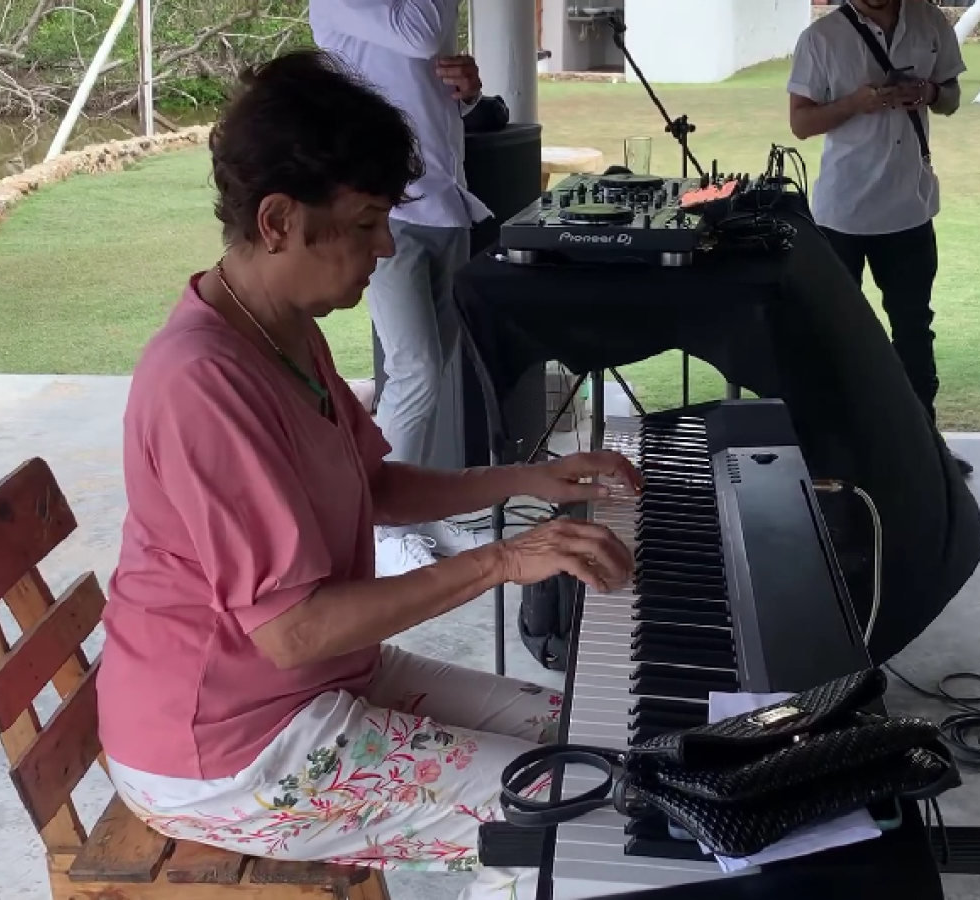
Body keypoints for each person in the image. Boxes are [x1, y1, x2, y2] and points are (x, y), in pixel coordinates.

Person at [96, 50, 640, 900]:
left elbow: (373, 485)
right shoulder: (200, 381)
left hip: (313, 688)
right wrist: (500, 560)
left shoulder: (279, 327)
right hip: (224, 748)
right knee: (573, 811)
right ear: (278, 220)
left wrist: (526, 481)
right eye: (363, 223)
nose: (385, 247)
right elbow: (296, 630)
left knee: (607, 743)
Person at [310, 0, 497, 574]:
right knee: (413, 367)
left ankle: (410, 513)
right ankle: (379, 529)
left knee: (431, 368)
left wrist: (464, 90)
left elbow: (420, 78)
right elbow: (419, 33)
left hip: (445, 200)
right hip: (382, 206)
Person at [787, 0, 973, 477]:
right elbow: (801, 123)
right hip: (841, 212)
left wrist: (929, 92)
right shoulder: (822, 37)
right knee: (832, 334)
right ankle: (832, 455)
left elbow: (952, 97)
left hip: (909, 206)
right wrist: (857, 102)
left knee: (913, 331)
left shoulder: (930, 22)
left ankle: (926, 450)